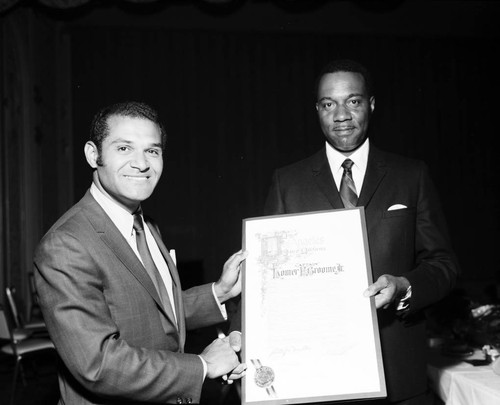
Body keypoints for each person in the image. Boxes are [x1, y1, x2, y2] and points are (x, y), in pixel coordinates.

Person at [231, 59, 459, 404]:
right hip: (315, 378)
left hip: (398, 376)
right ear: (317, 110)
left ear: (370, 104)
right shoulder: (287, 183)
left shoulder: (411, 175)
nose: (341, 115)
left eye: (352, 101)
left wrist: (404, 287)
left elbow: (443, 265)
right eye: (328, 104)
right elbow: (265, 280)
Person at [34, 101, 247, 405]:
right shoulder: (66, 244)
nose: (142, 163)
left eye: (152, 150)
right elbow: (98, 364)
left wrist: (219, 292)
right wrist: (203, 365)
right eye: (124, 148)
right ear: (93, 155)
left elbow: (146, 311)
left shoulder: (145, 224)